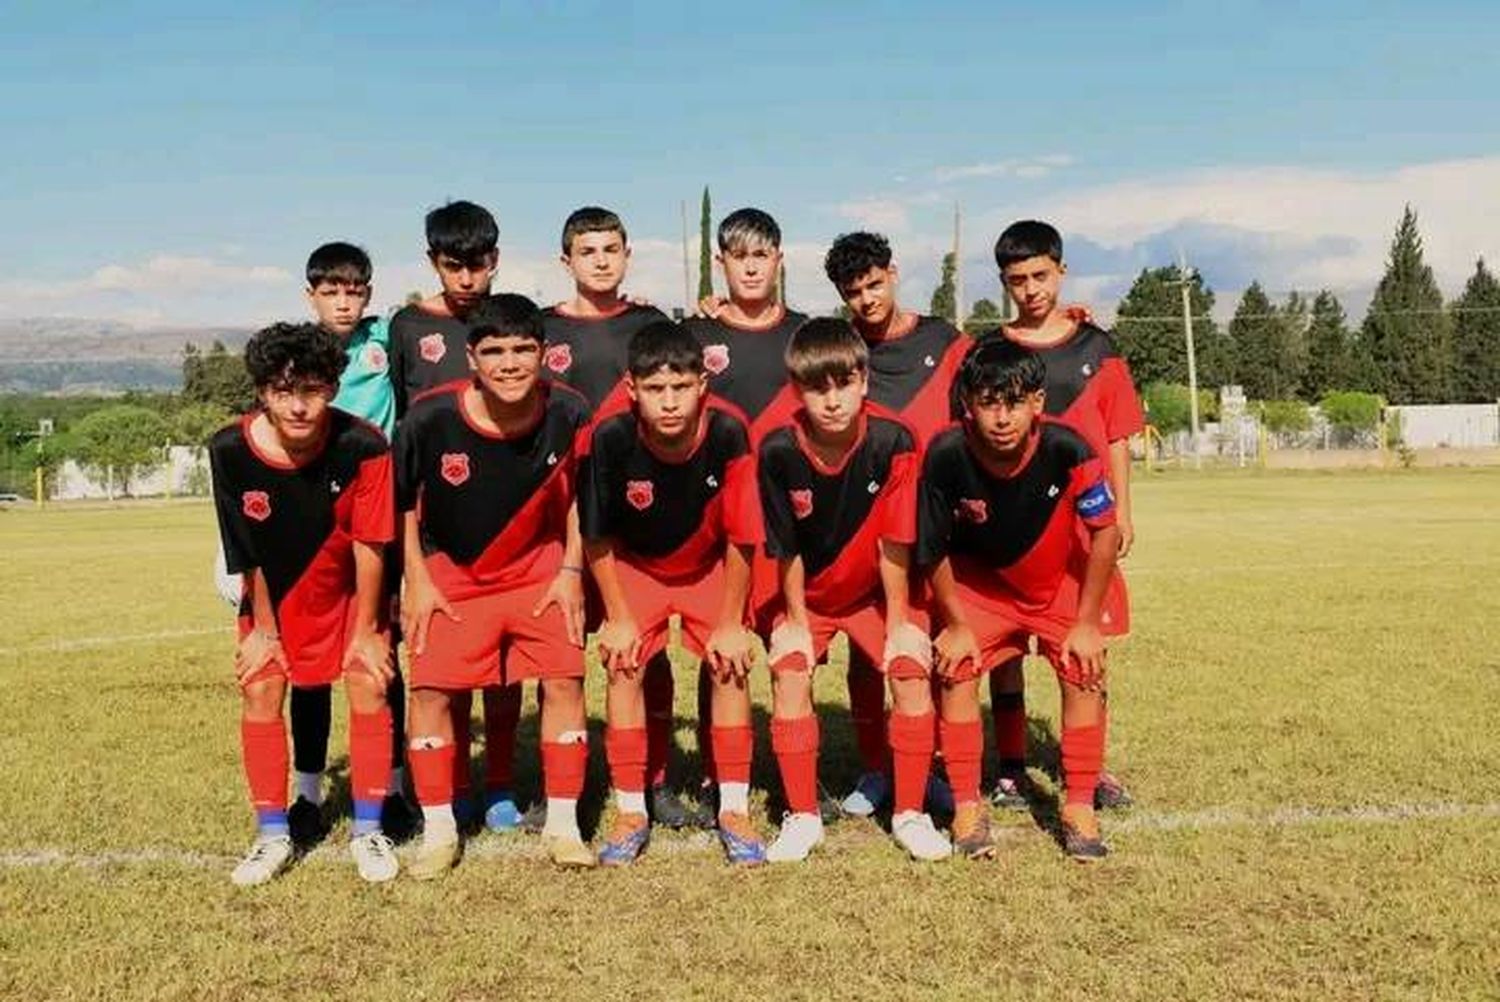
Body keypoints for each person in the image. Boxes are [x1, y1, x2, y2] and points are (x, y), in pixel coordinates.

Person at [395, 294, 594, 875]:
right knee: (430, 693)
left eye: (523, 350)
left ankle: (563, 826)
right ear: (471, 357)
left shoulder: (571, 411)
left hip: (541, 572)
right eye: (495, 351)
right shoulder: (429, 417)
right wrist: (418, 580)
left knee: (564, 683)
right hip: (452, 576)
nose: (509, 363)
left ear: (545, 354)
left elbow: (585, 496)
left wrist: (571, 570)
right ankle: (439, 833)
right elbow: (402, 504)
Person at [919, 338, 1127, 860]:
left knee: (1084, 666)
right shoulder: (946, 453)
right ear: (968, 403)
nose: (1001, 417)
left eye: (1013, 402)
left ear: (1037, 402)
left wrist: (1084, 621)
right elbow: (931, 546)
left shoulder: (1069, 448)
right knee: (957, 666)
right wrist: (955, 621)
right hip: (979, 589)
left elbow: (1103, 531)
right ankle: (967, 804)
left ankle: (1078, 802)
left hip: (1055, 587)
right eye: (988, 402)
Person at [209, 322, 399, 885]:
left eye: (312, 389)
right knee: (262, 683)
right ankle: (272, 835)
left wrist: (366, 629)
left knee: (368, 678)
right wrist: (264, 630)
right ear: (262, 391)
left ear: (334, 387)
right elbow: (247, 548)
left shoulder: (364, 444)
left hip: (348, 591)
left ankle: (369, 829)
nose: (297, 405)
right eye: (282, 391)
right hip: (274, 593)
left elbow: (370, 544)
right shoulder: (228, 448)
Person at [757, 318, 950, 862]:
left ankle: (911, 813)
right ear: (799, 389)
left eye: (843, 384)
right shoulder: (777, 449)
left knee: (911, 668)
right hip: (809, 594)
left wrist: (897, 624)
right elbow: (784, 545)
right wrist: (795, 619)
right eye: (818, 387)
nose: (833, 400)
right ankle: (802, 816)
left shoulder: (893, 439)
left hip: (872, 594)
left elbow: (895, 539)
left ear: (864, 381)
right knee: (790, 669)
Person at [538, 208, 703, 829]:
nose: (601, 260)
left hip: (632, 515)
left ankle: (652, 780)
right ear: (567, 260)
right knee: (558, 651)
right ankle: (560, 785)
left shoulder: (651, 322)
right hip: (555, 514)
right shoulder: (544, 329)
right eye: (588, 250)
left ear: (627, 254)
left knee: (644, 652)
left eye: (611, 248)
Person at [580, 321, 766, 865]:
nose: (669, 402)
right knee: (623, 663)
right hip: (638, 568)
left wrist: (731, 622)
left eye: (680, 387)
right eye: (656, 389)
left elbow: (744, 535)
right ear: (632, 387)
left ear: (702, 384)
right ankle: (630, 808)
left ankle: (733, 807)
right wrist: (616, 615)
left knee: (731, 664)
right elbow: (596, 535)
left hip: (709, 567)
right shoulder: (610, 436)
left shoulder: (730, 432)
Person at [814, 231, 972, 818]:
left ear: (894, 274)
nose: (866, 299)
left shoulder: (945, 341)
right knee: (867, 649)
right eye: (852, 292)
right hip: (865, 519)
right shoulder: (843, 353)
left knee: (932, 643)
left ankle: (926, 763)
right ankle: (876, 766)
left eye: (874, 284)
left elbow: (987, 392)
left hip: (935, 516)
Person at [987, 220, 1144, 811]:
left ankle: (1091, 769)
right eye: (1016, 279)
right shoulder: (989, 352)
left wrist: (1123, 510)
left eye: (1040, 275)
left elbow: (1120, 434)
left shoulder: (1095, 348)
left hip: (1082, 528)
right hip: (1009, 529)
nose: (1030, 289)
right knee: (1003, 656)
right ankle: (1009, 768)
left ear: (1061, 270)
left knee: (1084, 650)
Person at [387, 200, 523, 832]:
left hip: (508, 514)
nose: (467, 279)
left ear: (495, 259)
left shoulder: (514, 319)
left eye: (478, 265)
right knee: (445, 659)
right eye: (453, 266)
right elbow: (397, 418)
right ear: (432, 263)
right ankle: (450, 784)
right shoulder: (408, 325)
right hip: (432, 519)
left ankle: (499, 783)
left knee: (503, 664)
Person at [275, 241, 411, 846]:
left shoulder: (390, 337)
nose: (343, 302)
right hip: (306, 522)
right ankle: (306, 792)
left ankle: (397, 788)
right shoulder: (293, 356)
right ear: (311, 296)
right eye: (330, 291)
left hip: (375, 513)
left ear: (369, 294)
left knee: (382, 655)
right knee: (308, 667)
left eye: (353, 291)